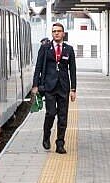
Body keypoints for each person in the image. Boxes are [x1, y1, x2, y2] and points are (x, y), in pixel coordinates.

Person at [32, 22, 77, 153]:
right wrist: (35, 85)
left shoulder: (69, 49)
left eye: (58, 31)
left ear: (63, 34)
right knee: (51, 113)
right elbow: (38, 67)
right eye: (54, 31)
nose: (56, 33)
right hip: (49, 87)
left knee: (63, 116)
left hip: (63, 87)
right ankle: (46, 136)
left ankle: (60, 144)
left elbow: (72, 70)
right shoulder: (45, 48)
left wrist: (73, 89)